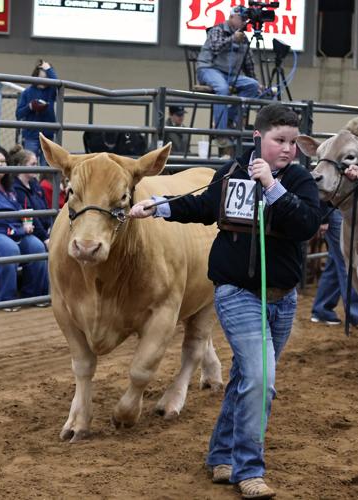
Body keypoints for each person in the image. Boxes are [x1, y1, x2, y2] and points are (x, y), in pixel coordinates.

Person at [129, 104, 321, 498]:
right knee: (262, 379)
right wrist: (159, 206)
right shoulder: (233, 172)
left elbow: (304, 224)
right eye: (278, 141)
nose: (287, 150)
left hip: (282, 298)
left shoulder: (299, 180)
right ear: (258, 138)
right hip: (237, 292)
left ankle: (221, 453)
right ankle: (249, 468)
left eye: (292, 143)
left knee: (247, 378)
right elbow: (201, 206)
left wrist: (273, 186)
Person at [0, 145, 49, 311]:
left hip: (13, 230)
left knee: (36, 246)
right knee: (9, 249)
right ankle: (2, 299)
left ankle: (34, 295)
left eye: (2, 161)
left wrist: (24, 222)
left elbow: (16, 209)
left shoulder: (8, 187)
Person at [196, 6, 260, 146]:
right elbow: (215, 47)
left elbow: (248, 64)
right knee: (222, 89)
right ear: (231, 17)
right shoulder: (217, 30)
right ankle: (221, 133)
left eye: (245, 20)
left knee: (252, 86)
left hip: (228, 75)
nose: (243, 22)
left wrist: (256, 82)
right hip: (209, 68)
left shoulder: (244, 38)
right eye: (241, 19)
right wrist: (232, 39)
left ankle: (229, 118)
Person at [15, 59, 58, 166]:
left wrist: (49, 68)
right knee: (29, 164)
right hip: (31, 135)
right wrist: (30, 107)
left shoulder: (51, 90)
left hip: (48, 135)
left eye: (47, 78)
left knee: (47, 166)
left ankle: (43, 183)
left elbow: (57, 84)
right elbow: (18, 114)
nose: (44, 81)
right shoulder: (27, 92)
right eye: (41, 78)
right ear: (36, 76)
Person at [9, 144, 52, 248]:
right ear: (20, 166)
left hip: (45, 231)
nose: (36, 167)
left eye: (36, 164)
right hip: (31, 232)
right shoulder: (16, 188)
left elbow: (46, 208)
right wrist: (45, 238)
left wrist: (51, 227)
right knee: (39, 247)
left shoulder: (35, 184)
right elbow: (30, 216)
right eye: (32, 164)